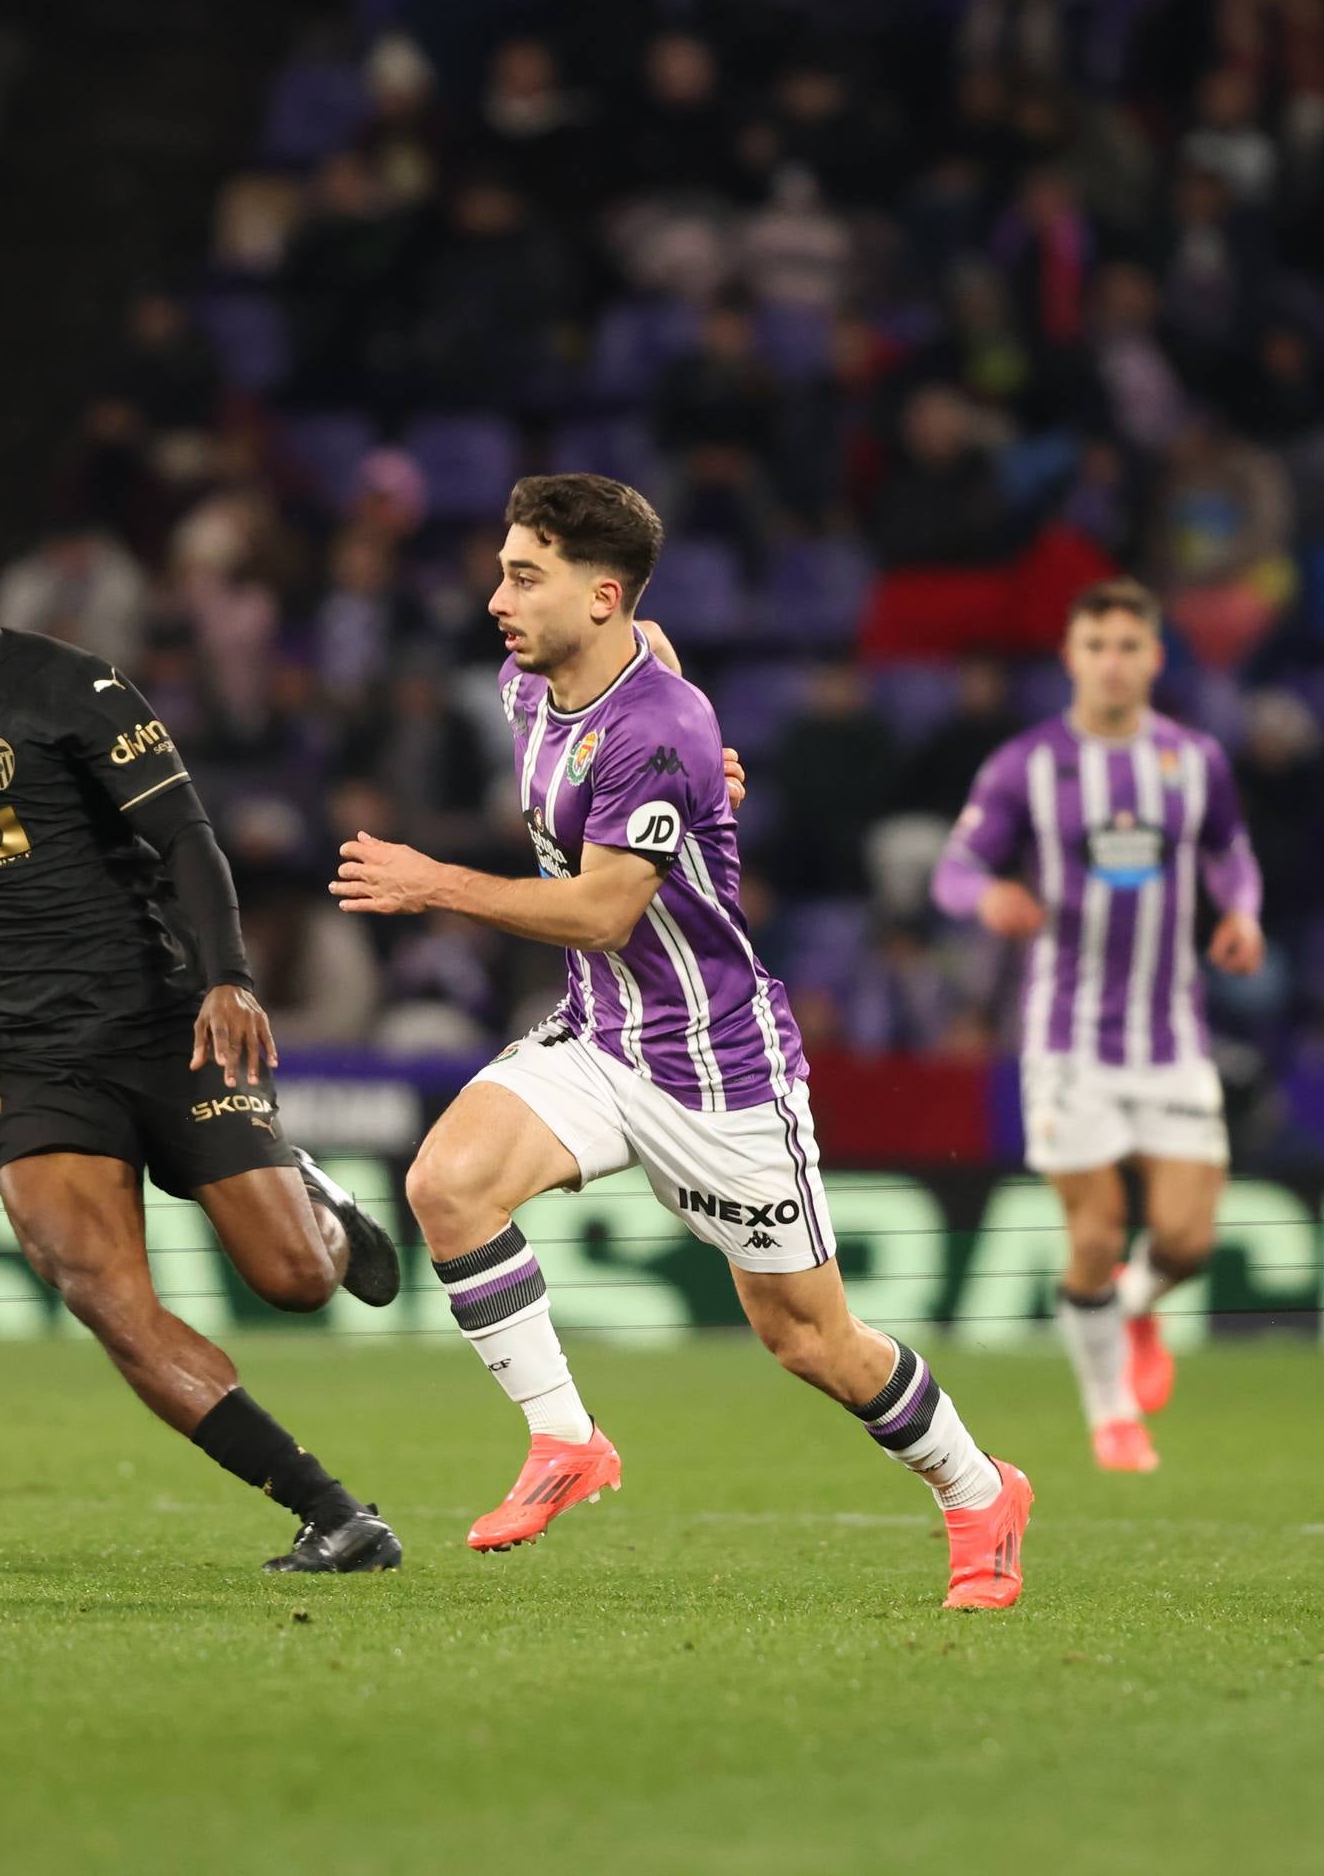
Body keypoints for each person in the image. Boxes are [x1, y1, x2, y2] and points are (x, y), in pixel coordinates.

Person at [331, 473, 1032, 1611]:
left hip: (718, 1073)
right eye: (503, 570)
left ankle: (978, 1488)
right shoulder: (551, 676)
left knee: (810, 1340)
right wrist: (709, 783)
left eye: (525, 576)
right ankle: (566, 1439)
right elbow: (658, 654)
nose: (497, 599)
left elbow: (607, 910)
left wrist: (433, 882)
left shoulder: (657, 726)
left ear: (596, 594)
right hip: (601, 1035)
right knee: (448, 1184)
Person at [0, 492, 426, 1573]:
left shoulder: (73, 689)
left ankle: (316, 1199)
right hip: (32, 1060)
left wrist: (229, 979)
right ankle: (335, 1515)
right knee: (105, 1296)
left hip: (160, 1021)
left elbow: (189, 838)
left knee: (292, 1280)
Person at [932, 578, 1263, 1474]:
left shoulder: (1194, 761)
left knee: (1189, 1240)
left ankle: (1133, 1306)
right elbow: (953, 869)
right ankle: (1111, 1412)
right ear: (1070, 658)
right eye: (1095, 646)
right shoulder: (1026, 765)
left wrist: (1242, 913)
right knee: (1094, 1232)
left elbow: (1231, 853)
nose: (1112, 662)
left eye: (1127, 646)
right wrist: (989, 892)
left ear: (1153, 658)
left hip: (1172, 1036)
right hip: (1066, 1038)